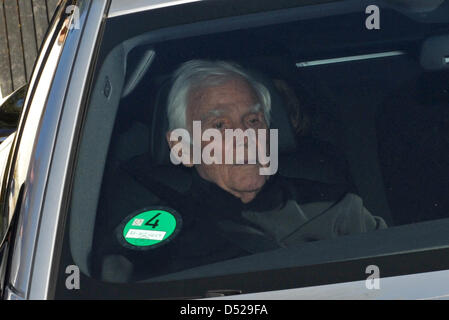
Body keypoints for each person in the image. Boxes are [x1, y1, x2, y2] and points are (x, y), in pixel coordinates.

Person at [93, 59, 387, 282]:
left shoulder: (337, 207)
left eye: (253, 121)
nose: (244, 138)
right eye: (220, 126)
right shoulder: (151, 232)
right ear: (182, 147)